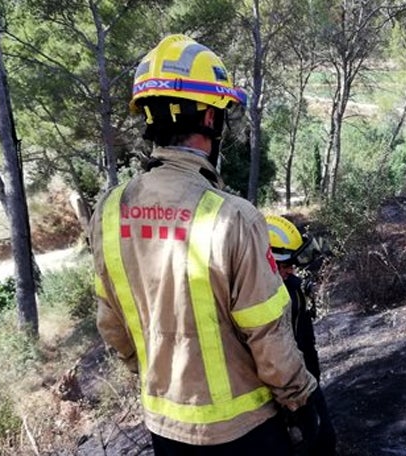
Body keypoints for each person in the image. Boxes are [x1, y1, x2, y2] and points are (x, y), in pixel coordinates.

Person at [89, 34, 317, 455]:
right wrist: (302, 402)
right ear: (211, 118)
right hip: (245, 433)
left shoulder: (109, 210)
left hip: (165, 428)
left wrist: (154, 373)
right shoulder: (232, 216)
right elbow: (268, 336)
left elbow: (112, 325)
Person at [266, 215, 338, 456]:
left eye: (292, 264)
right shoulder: (249, 299)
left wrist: (312, 380)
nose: (291, 270)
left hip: (303, 379)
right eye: (285, 264)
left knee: (324, 440)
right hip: (275, 392)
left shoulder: (295, 289)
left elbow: (306, 339)